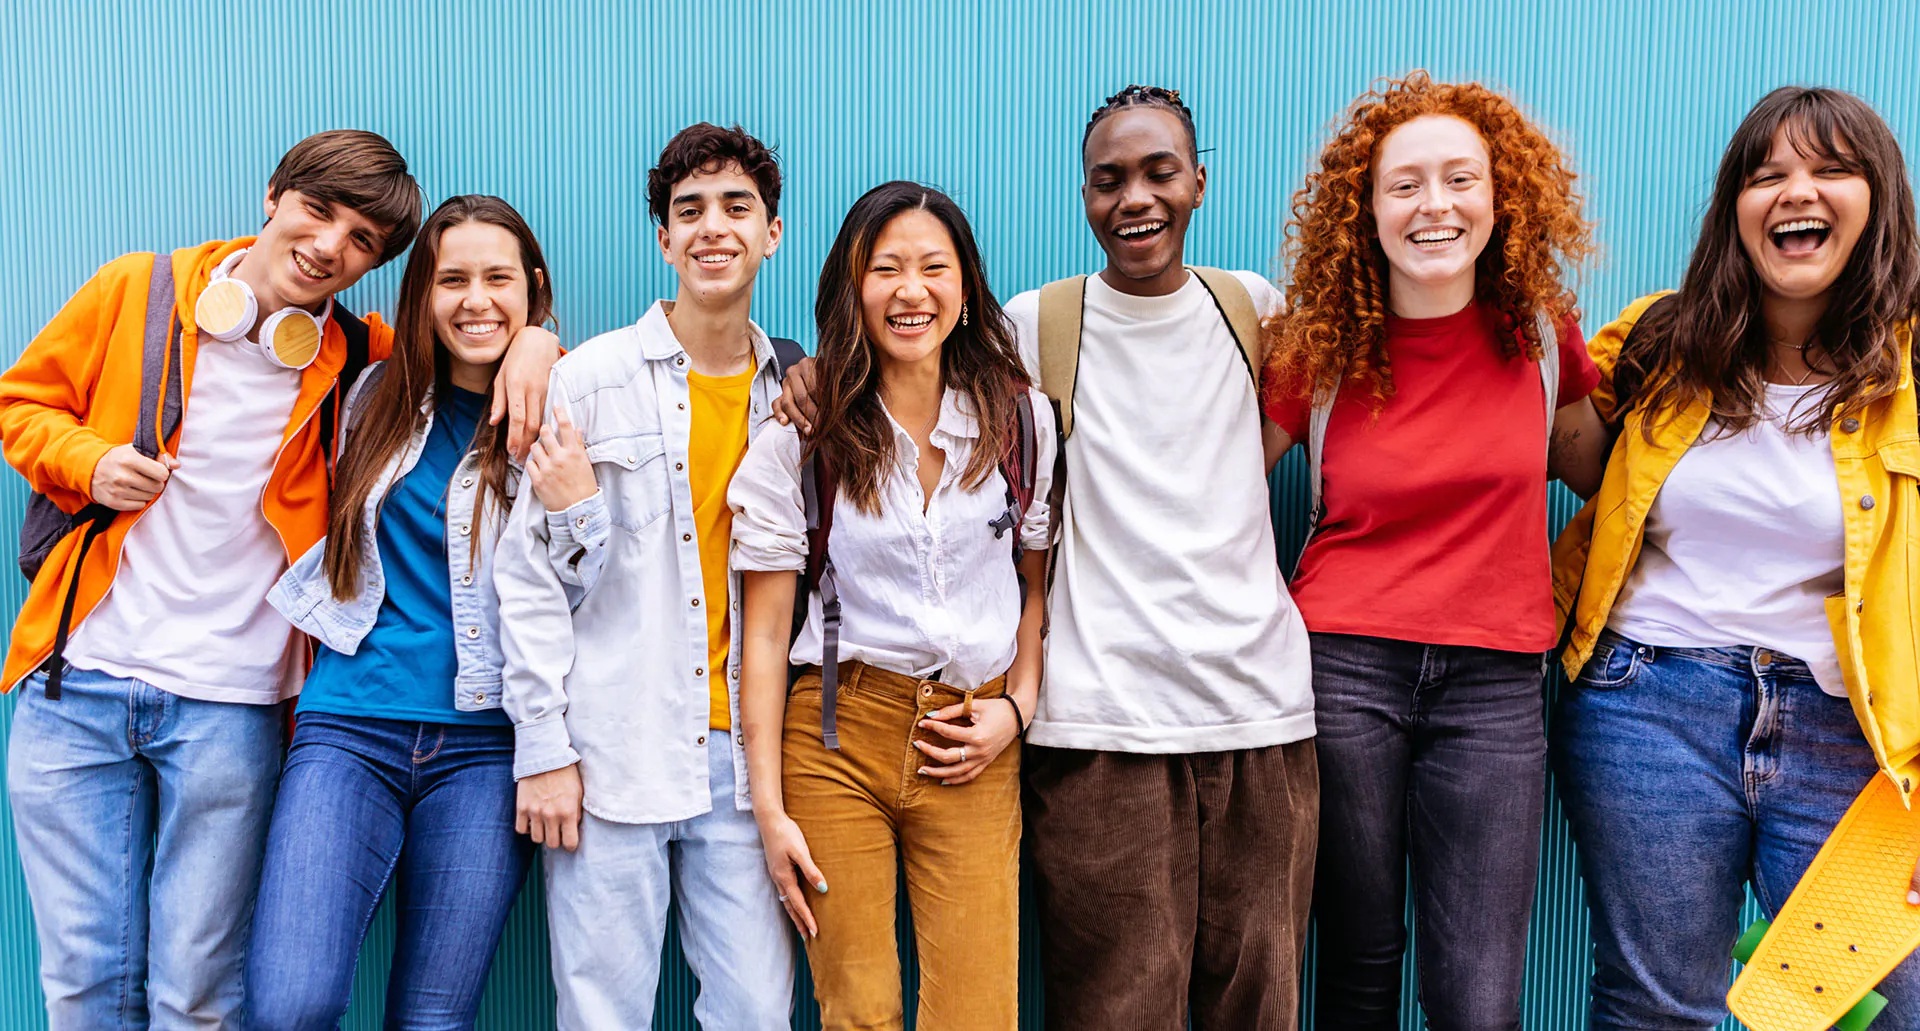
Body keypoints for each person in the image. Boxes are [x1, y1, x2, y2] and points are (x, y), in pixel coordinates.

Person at [776, 85, 1319, 1030]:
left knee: (1258, 1002)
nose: (1135, 198)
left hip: (1258, 711)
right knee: (1114, 1006)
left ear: (1199, 180)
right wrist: (809, 365)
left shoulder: (1254, 311)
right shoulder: (1038, 324)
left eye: (1159, 172)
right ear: (1084, 195)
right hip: (1097, 717)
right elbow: (908, 357)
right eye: (1110, 180)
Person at [0, 129, 553, 1028]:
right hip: (79, 684)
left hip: (236, 702)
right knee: (83, 988)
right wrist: (86, 461)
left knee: (199, 998)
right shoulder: (135, 292)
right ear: (274, 195)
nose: (332, 244)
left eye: (363, 240)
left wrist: (538, 343)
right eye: (318, 210)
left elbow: (474, 333)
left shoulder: (359, 361)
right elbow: (19, 401)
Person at [1551, 85, 1920, 1028]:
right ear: (1737, 212)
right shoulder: (1659, 342)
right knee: (1657, 1004)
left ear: (1878, 198)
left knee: (1899, 1003)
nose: (1797, 191)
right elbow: (1570, 457)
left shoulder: (1912, 367)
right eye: (1769, 175)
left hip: (1857, 735)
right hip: (1648, 705)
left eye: (1830, 169)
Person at [1259, 72, 1598, 1030]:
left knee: (1478, 992)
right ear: (1364, 211)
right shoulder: (1318, 344)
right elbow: (1213, 485)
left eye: (1461, 180)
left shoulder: (1538, 335)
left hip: (1495, 685)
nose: (1435, 205)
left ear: (1502, 198)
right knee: (1358, 966)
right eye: (1404, 185)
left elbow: (1616, 480)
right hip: (1343, 672)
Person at [494, 123, 796, 1030]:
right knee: (601, 1014)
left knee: (754, 1015)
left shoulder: (798, 393)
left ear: (772, 232)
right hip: (611, 749)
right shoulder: (590, 379)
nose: (714, 227)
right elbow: (527, 579)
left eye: (737, 207)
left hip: (747, 764)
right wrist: (543, 748)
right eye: (688, 210)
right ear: (663, 238)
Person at [731, 181, 1053, 1030]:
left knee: (979, 1012)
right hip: (837, 733)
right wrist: (768, 811)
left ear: (965, 285)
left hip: (973, 739)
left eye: (933, 267)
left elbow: (1035, 591)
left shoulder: (1022, 421)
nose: (911, 291)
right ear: (853, 285)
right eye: (886, 268)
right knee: (859, 1012)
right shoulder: (799, 433)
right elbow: (763, 637)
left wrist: (1015, 711)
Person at [243, 195, 561, 1029]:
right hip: (350, 723)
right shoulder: (369, 387)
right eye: (451, 279)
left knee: (433, 1018)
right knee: (288, 1003)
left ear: (534, 287)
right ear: (421, 294)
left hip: (487, 747)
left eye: (499, 279)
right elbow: (265, 300)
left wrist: (543, 346)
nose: (476, 300)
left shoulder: (572, 406)